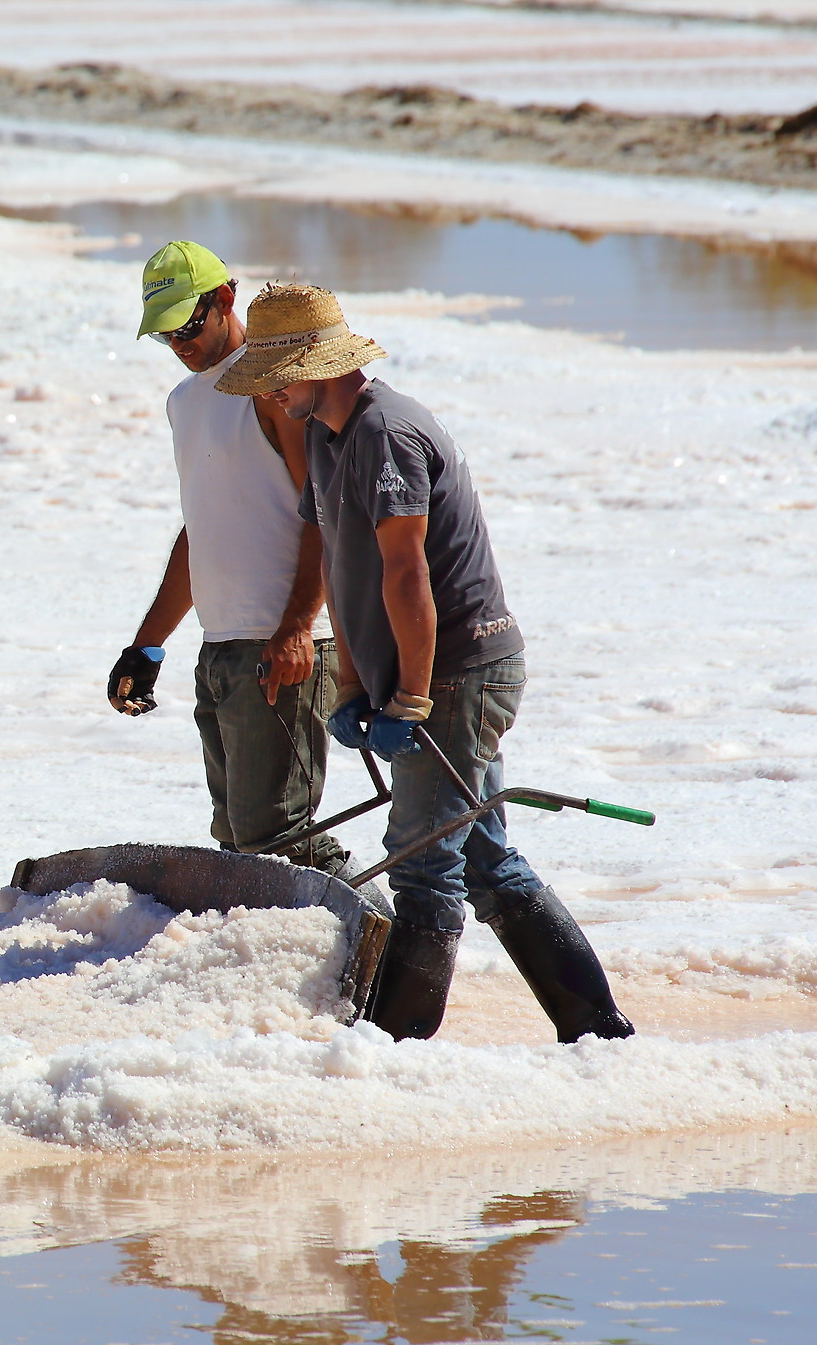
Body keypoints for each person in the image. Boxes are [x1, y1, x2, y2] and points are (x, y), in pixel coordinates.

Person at [214, 283, 633, 1043]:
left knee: (420, 867)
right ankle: (599, 1034)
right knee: (487, 862)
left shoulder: (387, 433)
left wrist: (408, 699)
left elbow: (407, 572)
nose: (270, 391)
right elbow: (344, 564)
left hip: (460, 673)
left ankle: (388, 1053)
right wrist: (349, 683)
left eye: (279, 374)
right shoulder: (323, 433)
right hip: (423, 675)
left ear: (319, 364)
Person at [110, 242, 345, 875]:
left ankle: (390, 948)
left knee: (281, 845)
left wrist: (298, 627)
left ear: (225, 299)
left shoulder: (275, 389)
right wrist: (147, 647)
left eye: (187, 325)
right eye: (165, 335)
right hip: (220, 650)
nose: (180, 344)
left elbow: (326, 512)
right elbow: (201, 532)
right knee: (239, 845)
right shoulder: (185, 403)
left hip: (282, 648)